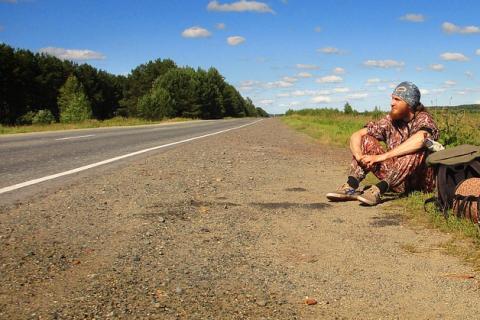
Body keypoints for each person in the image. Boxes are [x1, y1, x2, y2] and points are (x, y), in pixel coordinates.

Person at [326, 81, 439, 206]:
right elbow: (356, 135)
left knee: (418, 147)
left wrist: (382, 157)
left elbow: (421, 139)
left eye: (397, 99)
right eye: (392, 98)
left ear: (410, 103)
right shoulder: (390, 120)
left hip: (419, 182)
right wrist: (359, 156)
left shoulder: (423, 118)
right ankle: (350, 187)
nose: (392, 103)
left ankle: (379, 189)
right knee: (366, 139)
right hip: (395, 178)